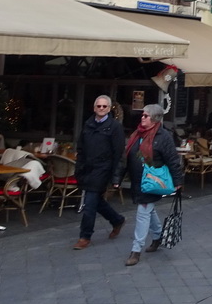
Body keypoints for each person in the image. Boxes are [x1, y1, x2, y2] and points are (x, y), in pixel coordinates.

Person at [117, 103, 183, 267]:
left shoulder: (163, 136)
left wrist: (178, 181)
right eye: (143, 115)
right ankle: (158, 236)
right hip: (138, 180)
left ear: (155, 119)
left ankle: (136, 250)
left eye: (146, 116)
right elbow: (126, 157)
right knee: (148, 209)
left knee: (143, 212)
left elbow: (172, 160)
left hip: (152, 181)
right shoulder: (137, 134)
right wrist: (117, 178)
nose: (142, 117)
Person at [72, 95, 125, 250]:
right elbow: (81, 149)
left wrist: (116, 176)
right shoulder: (88, 124)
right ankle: (117, 220)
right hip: (87, 169)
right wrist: (78, 168)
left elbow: (119, 154)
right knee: (95, 202)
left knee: (89, 203)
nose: (101, 109)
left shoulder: (114, 127)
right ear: (94, 108)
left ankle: (84, 236)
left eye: (104, 106)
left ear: (109, 109)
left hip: (102, 170)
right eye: (99, 106)